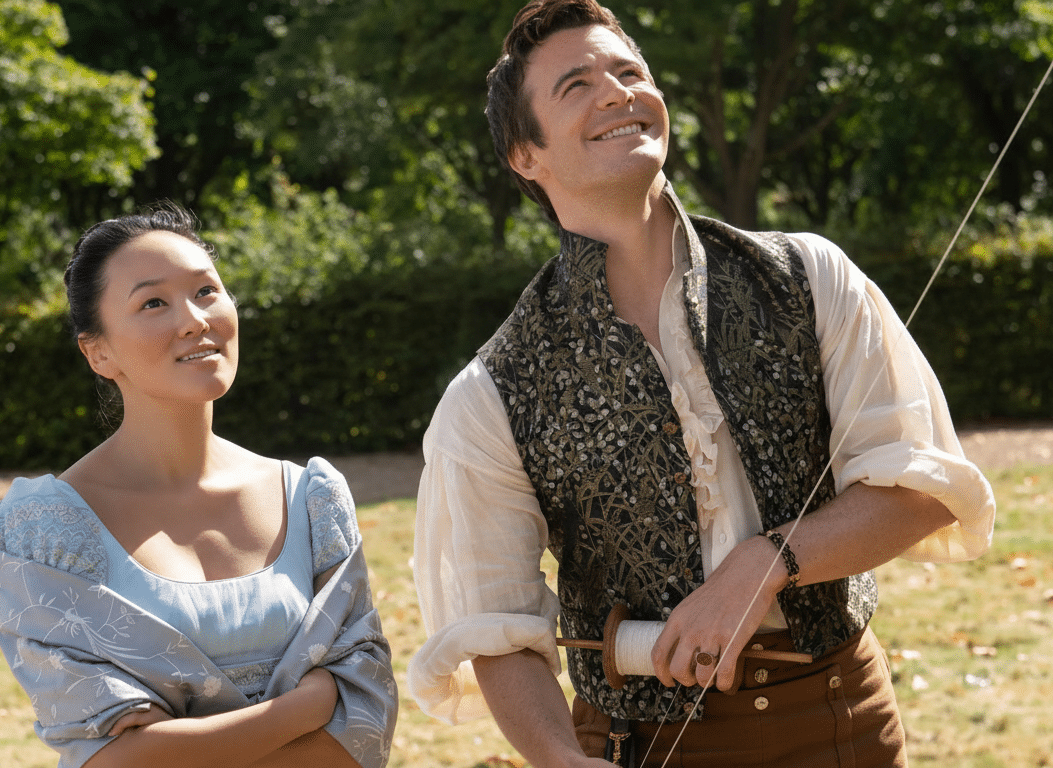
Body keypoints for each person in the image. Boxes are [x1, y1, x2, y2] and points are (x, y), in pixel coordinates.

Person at [408, 2, 996, 767]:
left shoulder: (810, 278)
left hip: (840, 719)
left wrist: (769, 559)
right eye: (576, 85)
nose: (616, 92)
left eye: (629, 72)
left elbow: (922, 491)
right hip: (640, 746)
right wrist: (559, 758)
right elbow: (496, 627)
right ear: (525, 154)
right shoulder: (488, 393)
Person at [0, 203, 397, 768]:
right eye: (153, 302)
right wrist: (305, 707)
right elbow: (113, 759)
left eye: (206, 291)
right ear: (98, 351)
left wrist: (178, 742)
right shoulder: (49, 528)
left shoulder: (312, 500)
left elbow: (365, 727)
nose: (194, 319)